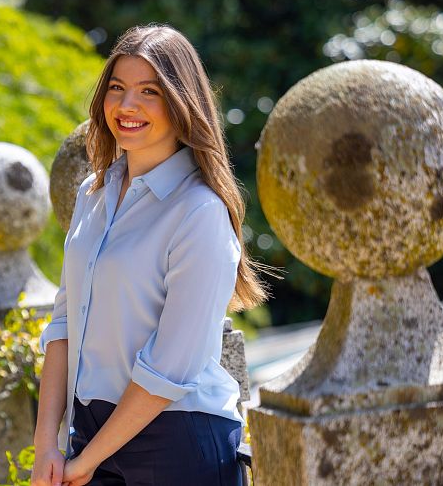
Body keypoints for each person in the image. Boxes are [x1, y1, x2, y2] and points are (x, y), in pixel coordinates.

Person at [30, 24, 268, 486]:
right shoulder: (92, 194)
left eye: (149, 92)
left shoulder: (199, 211)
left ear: (182, 103)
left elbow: (169, 369)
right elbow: (64, 323)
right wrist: (46, 445)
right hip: (91, 434)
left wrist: (87, 460)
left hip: (176, 441)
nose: (127, 105)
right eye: (116, 88)